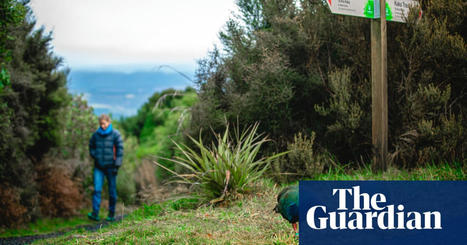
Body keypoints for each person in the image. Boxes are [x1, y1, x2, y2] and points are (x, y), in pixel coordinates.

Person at [88, 114, 123, 222]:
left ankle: (111, 214)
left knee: (112, 191)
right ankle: (95, 214)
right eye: (101, 124)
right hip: (99, 167)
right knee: (97, 190)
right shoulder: (96, 135)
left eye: (104, 123)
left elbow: (120, 150)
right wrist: (95, 155)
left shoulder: (115, 135)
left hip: (111, 167)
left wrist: (117, 164)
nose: (102, 126)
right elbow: (91, 146)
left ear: (109, 122)